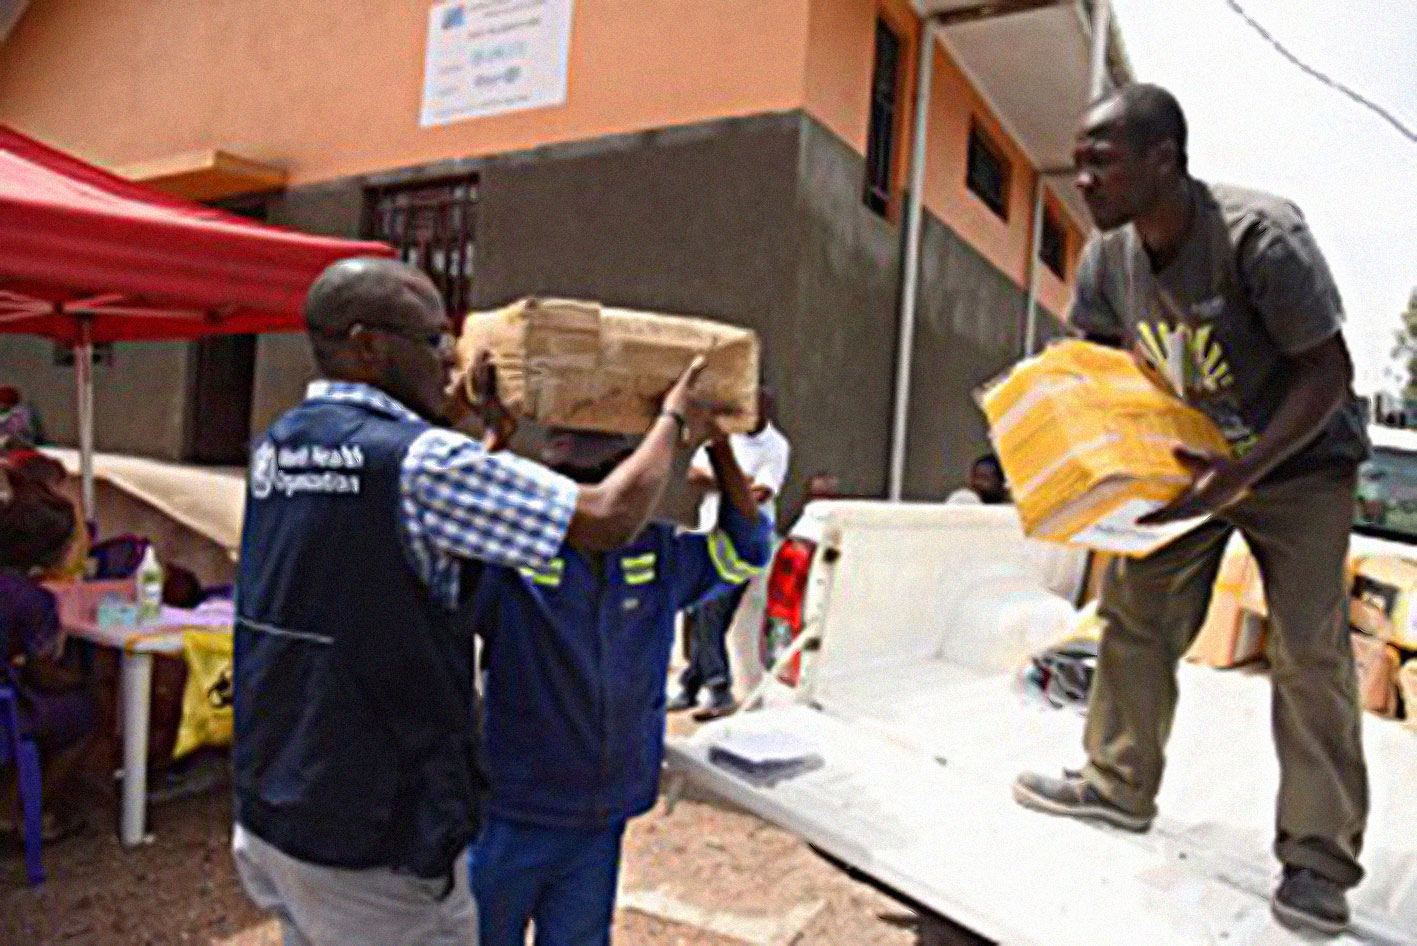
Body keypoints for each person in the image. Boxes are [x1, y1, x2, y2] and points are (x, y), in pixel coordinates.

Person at [231, 257, 721, 946]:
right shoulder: (421, 462)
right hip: (373, 827)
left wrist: (486, 432)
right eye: (434, 341)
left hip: (278, 805)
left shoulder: (279, 445)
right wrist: (673, 417)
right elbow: (609, 515)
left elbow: (411, 522)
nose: (452, 360)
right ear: (369, 345)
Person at [1011, 85, 1369, 936]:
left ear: (1163, 159)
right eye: (1079, 161)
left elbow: (1328, 373)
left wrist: (1242, 471)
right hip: (1190, 454)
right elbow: (1094, 374)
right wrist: (1063, 462)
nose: (1082, 179)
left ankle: (1317, 862)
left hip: (1300, 458)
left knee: (1308, 654)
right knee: (1133, 611)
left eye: (1100, 161)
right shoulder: (1106, 260)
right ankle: (1115, 786)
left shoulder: (1258, 237)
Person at [466, 424, 771, 946]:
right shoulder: (512, 558)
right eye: (573, 479)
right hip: (513, 813)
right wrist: (490, 443)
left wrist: (718, 445)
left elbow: (746, 548)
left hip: (600, 817)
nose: (596, 496)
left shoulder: (657, 555)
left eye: (608, 478)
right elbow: (437, 538)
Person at [669, 386, 790, 718]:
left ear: (765, 411)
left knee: (711, 611)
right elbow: (693, 475)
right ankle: (691, 686)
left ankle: (719, 690)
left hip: (742, 543)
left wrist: (722, 478)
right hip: (707, 532)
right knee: (695, 613)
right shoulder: (727, 439)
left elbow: (760, 495)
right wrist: (735, 481)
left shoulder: (776, 446)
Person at [0, 459, 96, 842]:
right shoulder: (31, 600)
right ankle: (20, 812)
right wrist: (84, 678)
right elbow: (44, 674)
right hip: (4, 708)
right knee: (81, 715)